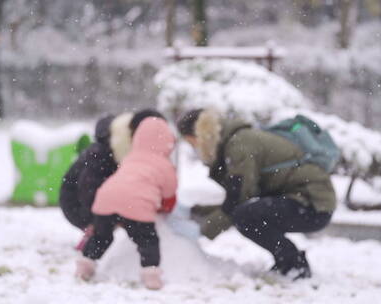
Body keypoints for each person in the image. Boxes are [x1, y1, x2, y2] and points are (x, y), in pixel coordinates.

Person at [176, 109, 336, 280]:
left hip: (312, 204)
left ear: (200, 134)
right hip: (308, 201)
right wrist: (198, 212)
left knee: (245, 217)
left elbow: (238, 199)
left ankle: (294, 264)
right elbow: (237, 197)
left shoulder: (239, 145)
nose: (193, 148)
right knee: (247, 214)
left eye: (190, 142)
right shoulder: (237, 140)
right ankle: (288, 261)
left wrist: (201, 230)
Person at [75, 117, 177, 290]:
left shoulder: (130, 157)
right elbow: (169, 191)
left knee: (101, 236)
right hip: (137, 206)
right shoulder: (164, 164)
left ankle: (85, 265)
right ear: (168, 141)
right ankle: (151, 275)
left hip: (105, 199)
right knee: (147, 240)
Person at [59, 110, 165, 249]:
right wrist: (100, 219)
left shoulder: (118, 144)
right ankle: (94, 237)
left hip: (88, 197)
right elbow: (89, 189)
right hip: (78, 204)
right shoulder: (103, 153)